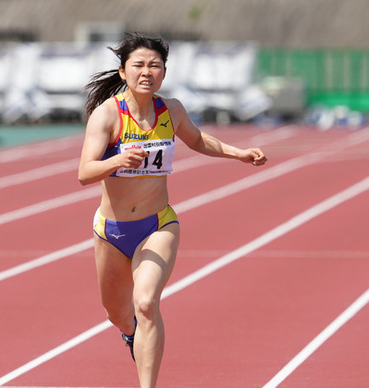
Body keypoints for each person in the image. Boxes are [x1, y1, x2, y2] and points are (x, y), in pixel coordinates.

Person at [78, 32, 267, 388]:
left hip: (158, 224)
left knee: (146, 302)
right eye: (139, 65)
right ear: (123, 72)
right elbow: (84, 173)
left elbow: (197, 139)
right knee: (118, 313)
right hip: (112, 229)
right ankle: (130, 333)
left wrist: (238, 152)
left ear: (164, 72)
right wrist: (117, 159)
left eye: (155, 66)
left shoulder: (172, 109)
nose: (147, 72)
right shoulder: (107, 116)